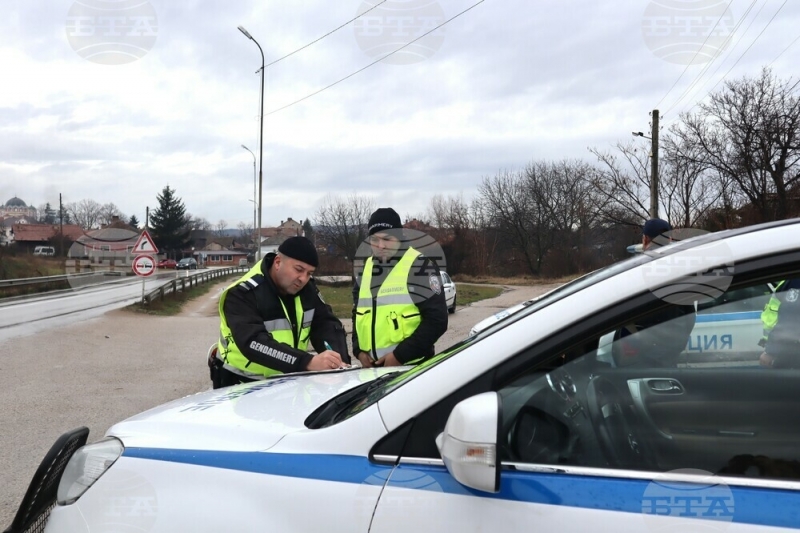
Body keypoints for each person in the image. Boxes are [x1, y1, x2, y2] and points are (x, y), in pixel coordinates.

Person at [211, 236, 350, 388]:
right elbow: (253, 342)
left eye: (309, 273)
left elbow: (326, 324)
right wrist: (307, 362)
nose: (303, 279)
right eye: (298, 269)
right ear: (278, 262)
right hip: (241, 387)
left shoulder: (306, 290)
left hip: (289, 385)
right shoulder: (242, 293)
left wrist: (338, 361)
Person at [352, 207, 448, 368]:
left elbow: (437, 320)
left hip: (411, 369)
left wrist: (399, 356)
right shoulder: (365, 269)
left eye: (387, 239)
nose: (380, 245)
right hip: (371, 370)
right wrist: (358, 351)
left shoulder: (420, 267)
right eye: (375, 240)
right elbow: (358, 314)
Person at [760, 279, 800, 368]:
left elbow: (789, 321)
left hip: (791, 349)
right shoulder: (788, 282)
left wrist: (771, 351)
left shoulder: (794, 282)